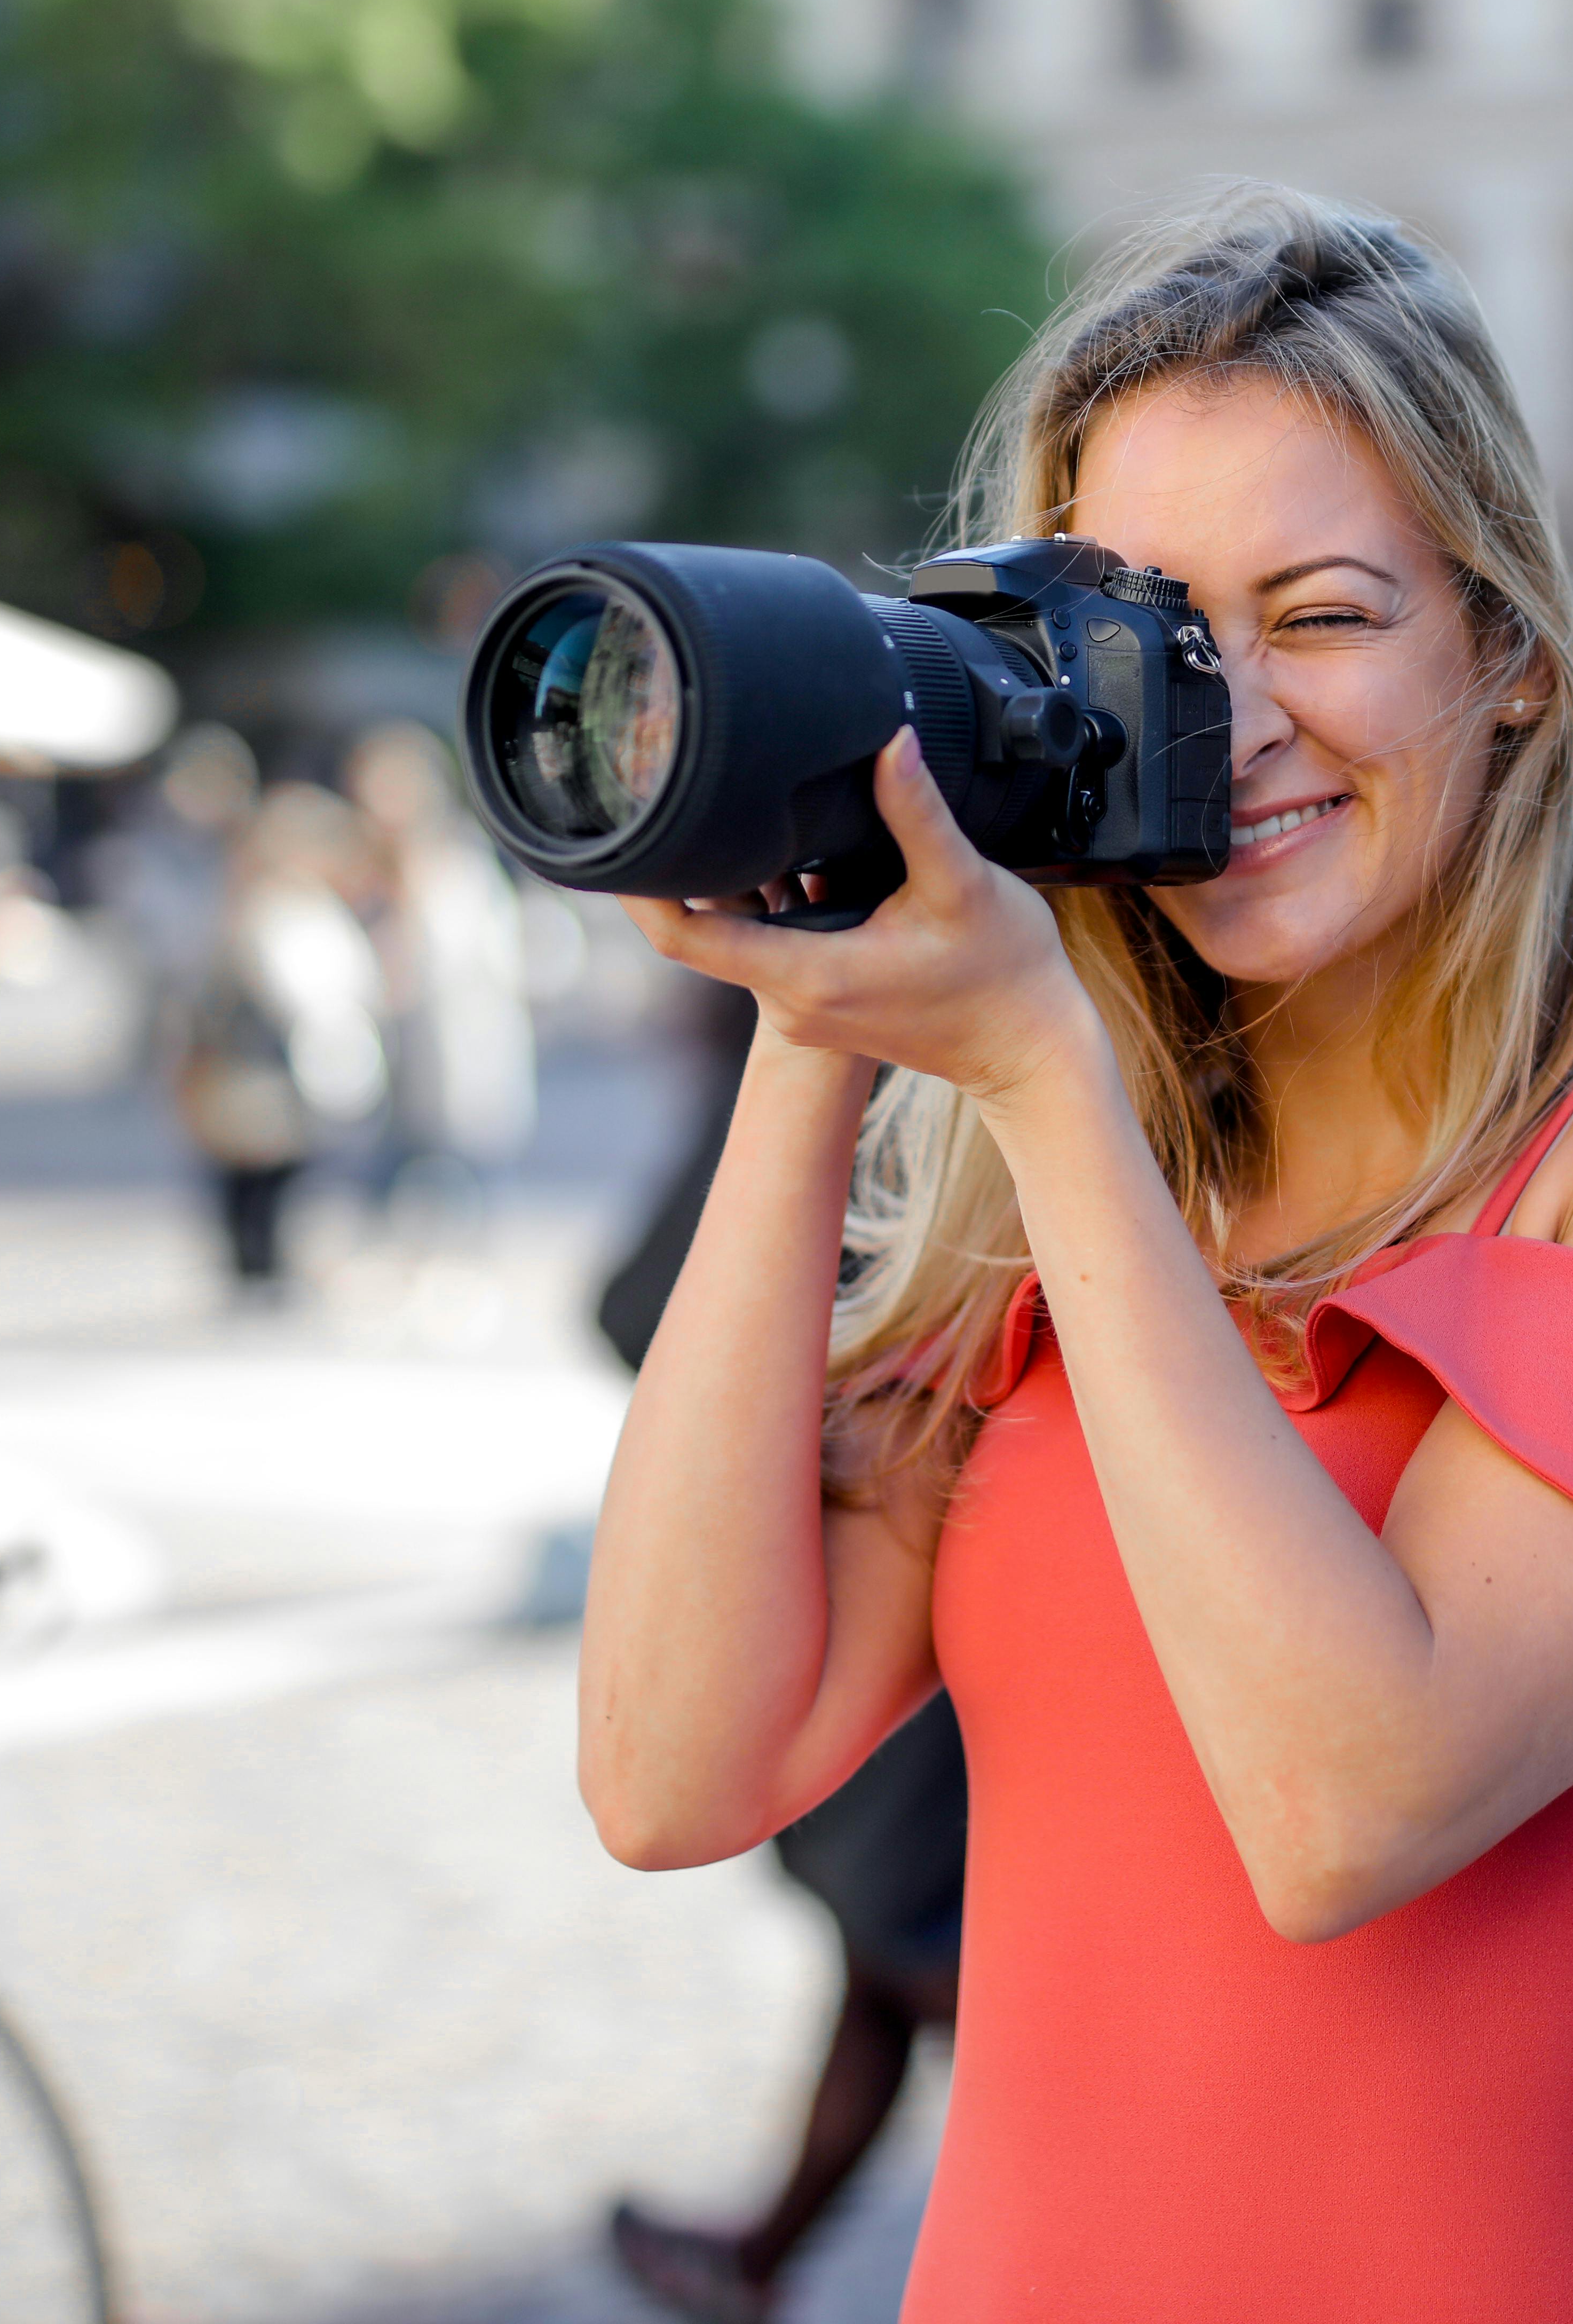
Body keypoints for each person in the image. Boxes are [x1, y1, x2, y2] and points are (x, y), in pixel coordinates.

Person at [574, 187, 1573, 2319]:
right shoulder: (1076, 1182)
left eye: (1320, 613)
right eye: (1148, 635)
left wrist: (1041, 1078)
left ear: (1511, 656)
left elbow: (1343, 1800)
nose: (1227, 717)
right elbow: (671, 1771)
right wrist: (810, 1014)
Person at [598, 978, 969, 2321]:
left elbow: (634, 1309)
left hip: (901, 1600)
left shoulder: (872, 1041)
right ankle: (761, 2254)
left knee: (921, 1948)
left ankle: (764, 2254)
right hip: (914, 1589)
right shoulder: (894, 1045)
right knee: (896, 1948)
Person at [175, 782, 389, 1301]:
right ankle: (257, 1271)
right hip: (253, 1067)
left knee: (269, 1179)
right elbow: (293, 991)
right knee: (257, 1179)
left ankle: (261, 1268)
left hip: (268, 1069)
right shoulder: (268, 906)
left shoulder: (276, 903)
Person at [345, 724, 535, 1228]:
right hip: (382, 1052)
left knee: (467, 1168)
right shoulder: (360, 867)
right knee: (386, 1168)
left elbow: (474, 960)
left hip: (454, 1045)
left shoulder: (458, 864)